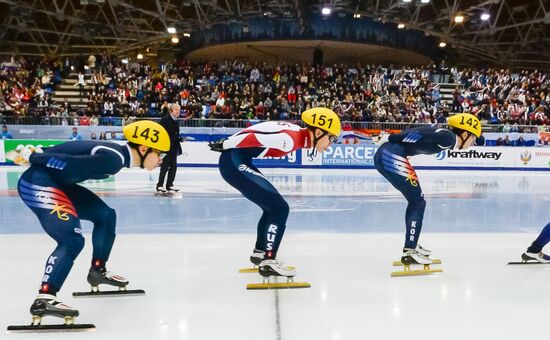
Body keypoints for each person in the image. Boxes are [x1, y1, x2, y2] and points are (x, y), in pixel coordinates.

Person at [12, 121, 169, 324]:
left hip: (58, 183)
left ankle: (97, 270)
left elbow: (71, 152)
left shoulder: (116, 156)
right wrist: (34, 156)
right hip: (37, 182)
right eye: (160, 155)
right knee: (72, 240)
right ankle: (45, 297)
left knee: (105, 216)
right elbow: (67, 162)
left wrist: (41, 151)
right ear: (144, 148)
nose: (161, 161)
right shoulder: (114, 159)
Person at [209, 107, 341, 278]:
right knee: (280, 209)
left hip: (236, 160)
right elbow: (253, 136)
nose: (331, 144)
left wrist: (228, 142)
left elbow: (259, 130)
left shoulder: (296, 135)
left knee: (272, 208)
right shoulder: (291, 139)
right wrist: (225, 144)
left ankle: (260, 253)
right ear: (318, 132)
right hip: (233, 162)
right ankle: (268, 261)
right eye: (331, 138)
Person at [373, 113, 481, 265]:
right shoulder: (448, 138)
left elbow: (421, 132)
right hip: (390, 155)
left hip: (389, 155)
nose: (473, 142)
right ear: (464, 133)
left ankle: (412, 245)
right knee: (417, 201)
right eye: (473, 138)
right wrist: (390, 138)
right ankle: (410, 250)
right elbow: (417, 134)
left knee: (416, 200)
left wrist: (402, 147)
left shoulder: (446, 136)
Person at [156, 103, 182, 193]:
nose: (178, 112)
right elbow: (160, 133)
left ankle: (169, 185)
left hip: (174, 148)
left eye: (179, 110)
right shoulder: (165, 119)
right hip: (165, 148)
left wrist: (180, 139)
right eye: (176, 110)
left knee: (173, 167)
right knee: (165, 167)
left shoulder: (176, 120)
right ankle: (159, 185)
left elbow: (174, 135)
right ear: (172, 110)